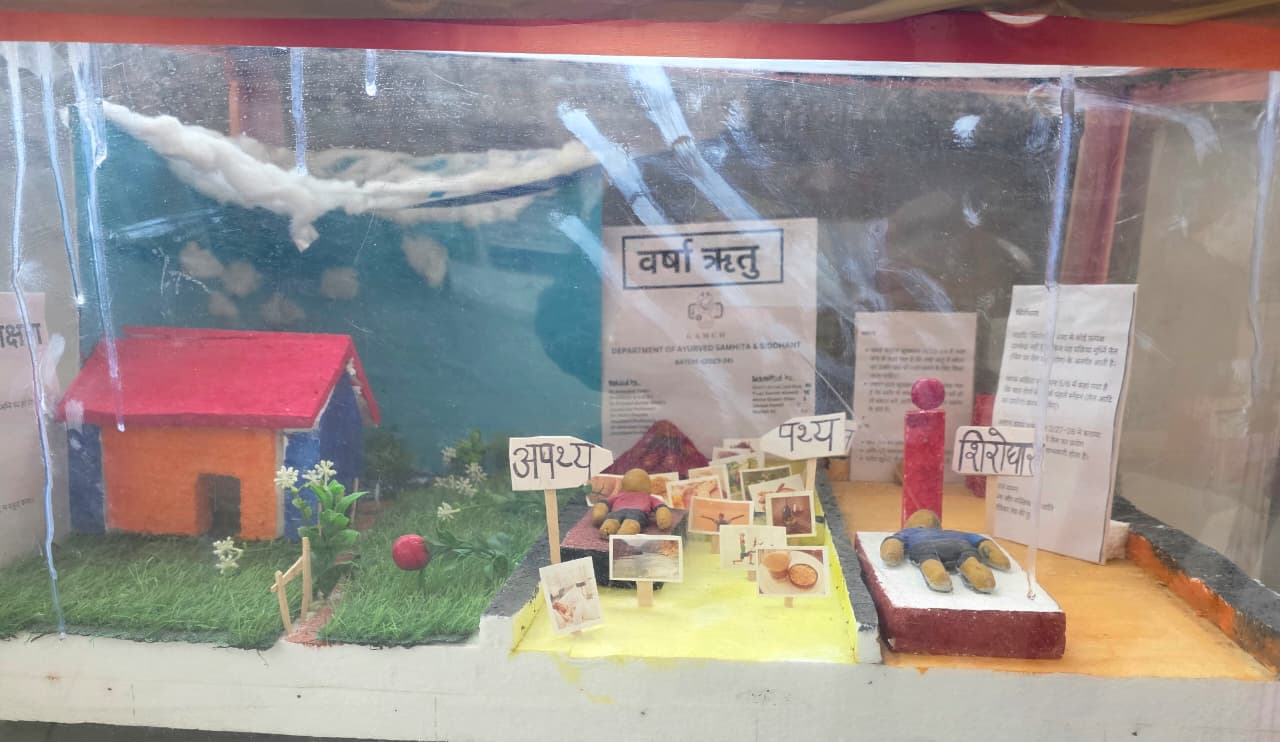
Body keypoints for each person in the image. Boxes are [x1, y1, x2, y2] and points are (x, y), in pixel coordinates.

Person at [879, 509, 1011, 593]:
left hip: (926, 547)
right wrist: (996, 555)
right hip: (961, 545)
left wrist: (891, 554)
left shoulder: (909, 532)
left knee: (929, 561)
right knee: (970, 559)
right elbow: (982, 541)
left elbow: (894, 541)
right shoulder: (956, 532)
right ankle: (983, 579)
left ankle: (938, 577)